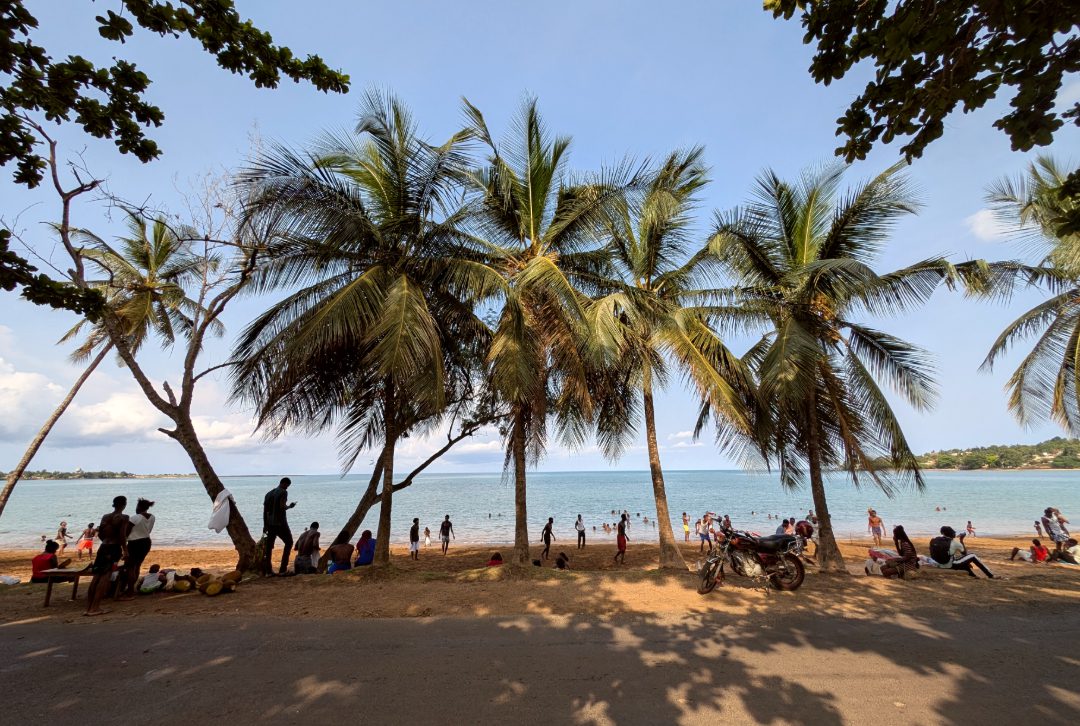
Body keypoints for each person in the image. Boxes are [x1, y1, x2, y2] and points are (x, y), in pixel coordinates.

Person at [85, 496, 130, 616]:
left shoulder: (106, 517)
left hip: (103, 546)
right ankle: (95, 608)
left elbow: (100, 534)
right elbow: (122, 536)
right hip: (114, 548)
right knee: (105, 577)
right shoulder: (124, 517)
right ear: (124, 505)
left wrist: (105, 541)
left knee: (96, 576)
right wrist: (125, 550)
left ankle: (89, 607)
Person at [262, 477, 297, 576]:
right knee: (289, 542)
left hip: (269, 524)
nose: (287, 488)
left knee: (269, 547)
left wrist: (265, 525)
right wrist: (290, 506)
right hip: (280, 523)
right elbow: (282, 506)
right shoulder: (283, 492)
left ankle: (268, 571)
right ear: (285, 484)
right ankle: (283, 570)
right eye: (287, 486)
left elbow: (264, 511)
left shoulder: (268, 494)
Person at [121, 498, 155, 599]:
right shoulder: (152, 517)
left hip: (135, 543)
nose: (136, 508)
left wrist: (123, 544)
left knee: (130, 567)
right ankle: (131, 589)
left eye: (137, 506)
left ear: (139, 507)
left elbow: (126, 532)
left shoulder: (135, 518)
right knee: (137, 565)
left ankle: (130, 591)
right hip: (146, 542)